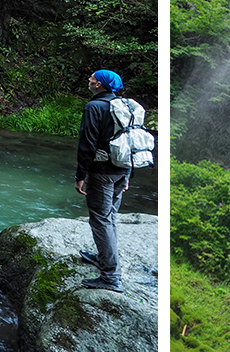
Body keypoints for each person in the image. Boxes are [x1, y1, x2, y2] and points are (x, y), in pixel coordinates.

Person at [76, 68, 131, 292]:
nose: (88, 79)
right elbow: (131, 142)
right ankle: (105, 259)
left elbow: (87, 145)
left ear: (98, 85)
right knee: (110, 217)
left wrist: (81, 176)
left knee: (101, 220)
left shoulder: (94, 107)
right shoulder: (124, 107)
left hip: (102, 173)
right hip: (122, 170)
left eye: (91, 78)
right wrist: (128, 174)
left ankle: (111, 277)